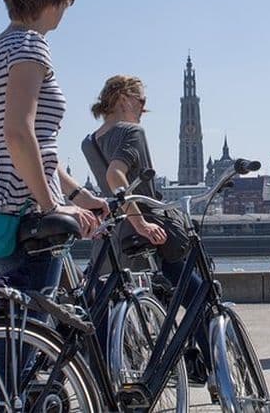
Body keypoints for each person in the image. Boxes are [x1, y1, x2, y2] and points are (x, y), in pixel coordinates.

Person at [0, 0, 106, 293]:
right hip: (24, 219)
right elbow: (18, 133)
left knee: (2, 335)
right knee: (33, 335)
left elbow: (23, 143)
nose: (70, 4)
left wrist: (77, 193)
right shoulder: (31, 46)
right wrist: (52, 205)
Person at [81, 74, 212, 389]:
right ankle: (213, 368)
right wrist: (140, 221)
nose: (144, 108)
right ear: (124, 98)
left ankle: (99, 386)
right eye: (141, 100)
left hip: (112, 235)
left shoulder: (89, 140)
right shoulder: (132, 132)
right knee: (197, 296)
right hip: (149, 230)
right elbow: (116, 175)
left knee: (99, 307)